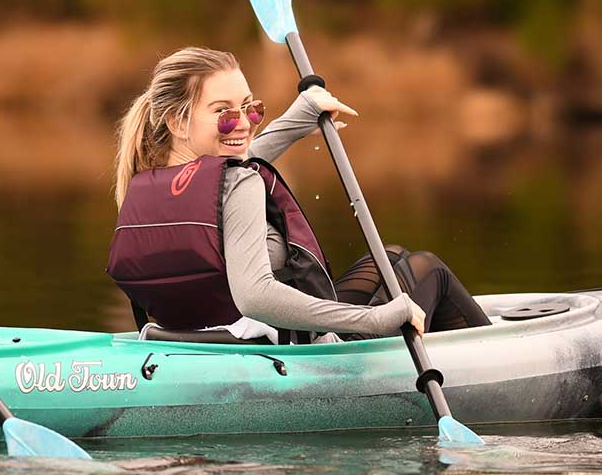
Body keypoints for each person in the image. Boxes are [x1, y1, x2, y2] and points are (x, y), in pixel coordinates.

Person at [105, 47, 491, 344]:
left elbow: (234, 168)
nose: (242, 124)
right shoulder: (238, 186)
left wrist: (298, 117)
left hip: (195, 346)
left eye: (250, 109)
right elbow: (255, 296)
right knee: (428, 269)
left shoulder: (146, 186)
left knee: (391, 258)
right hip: (288, 354)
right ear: (178, 121)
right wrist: (375, 319)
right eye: (224, 113)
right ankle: (497, 361)